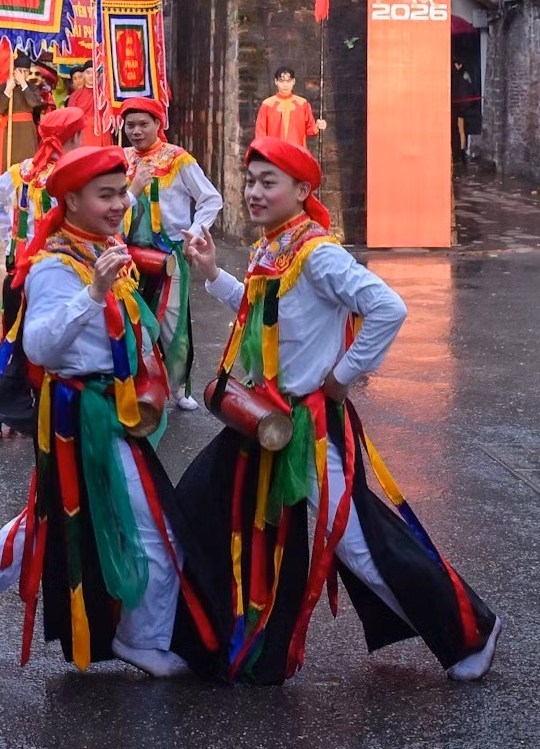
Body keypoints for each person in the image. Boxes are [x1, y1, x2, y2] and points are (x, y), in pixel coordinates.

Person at [171, 137, 500, 685]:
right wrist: (211, 274)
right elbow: (261, 312)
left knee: (354, 545)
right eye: (250, 181)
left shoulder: (317, 253)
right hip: (268, 422)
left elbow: (387, 308)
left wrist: (342, 376)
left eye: (267, 182)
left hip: (312, 426)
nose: (254, 192)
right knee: (203, 504)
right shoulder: (273, 247)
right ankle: (217, 642)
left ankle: (470, 629)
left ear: (302, 190)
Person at [0, 146, 220, 677]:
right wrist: (93, 293)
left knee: (54, 516)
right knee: (156, 529)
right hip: (83, 414)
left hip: (106, 409)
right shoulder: (57, 266)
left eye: (122, 192)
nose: (120, 204)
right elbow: (38, 346)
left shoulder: (98, 245)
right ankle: (142, 639)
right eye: (106, 195)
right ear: (71, 200)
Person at [0, 106, 85, 437]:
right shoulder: (71, 174)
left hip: (18, 271)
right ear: (74, 136)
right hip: (51, 273)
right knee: (32, 346)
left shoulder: (23, 171)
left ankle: (21, 410)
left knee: (25, 343)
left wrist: (12, 235)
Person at [120, 97, 223, 410]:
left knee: (173, 322)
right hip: (128, 254)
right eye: (130, 125)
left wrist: (194, 233)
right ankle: (136, 386)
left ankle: (178, 386)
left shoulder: (177, 158)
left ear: (158, 125)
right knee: (131, 320)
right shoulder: (120, 159)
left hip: (169, 253)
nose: (136, 131)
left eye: (143, 124)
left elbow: (210, 199)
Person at [0, 57, 45, 172]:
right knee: (8, 163)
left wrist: (23, 83)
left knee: (27, 163)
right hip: (9, 129)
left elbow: (34, 103)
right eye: (19, 70)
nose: (22, 73)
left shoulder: (32, 88)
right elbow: (0, 109)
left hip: (26, 130)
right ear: (14, 70)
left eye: (25, 71)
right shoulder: (4, 87)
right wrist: (7, 90)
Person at [255, 66, 325, 152]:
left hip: (297, 152)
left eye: (288, 81)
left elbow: (311, 129)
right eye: (281, 81)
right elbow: (260, 134)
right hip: (274, 154)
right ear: (276, 82)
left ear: (293, 81)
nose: (285, 85)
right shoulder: (267, 104)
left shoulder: (302, 104)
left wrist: (318, 126)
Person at [64, 62, 115, 149]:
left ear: (99, 74)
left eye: (94, 72)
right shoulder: (75, 95)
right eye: (88, 73)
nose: (91, 76)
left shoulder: (106, 93)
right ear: (83, 75)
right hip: (84, 133)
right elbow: (70, 119)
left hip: (103, 131)